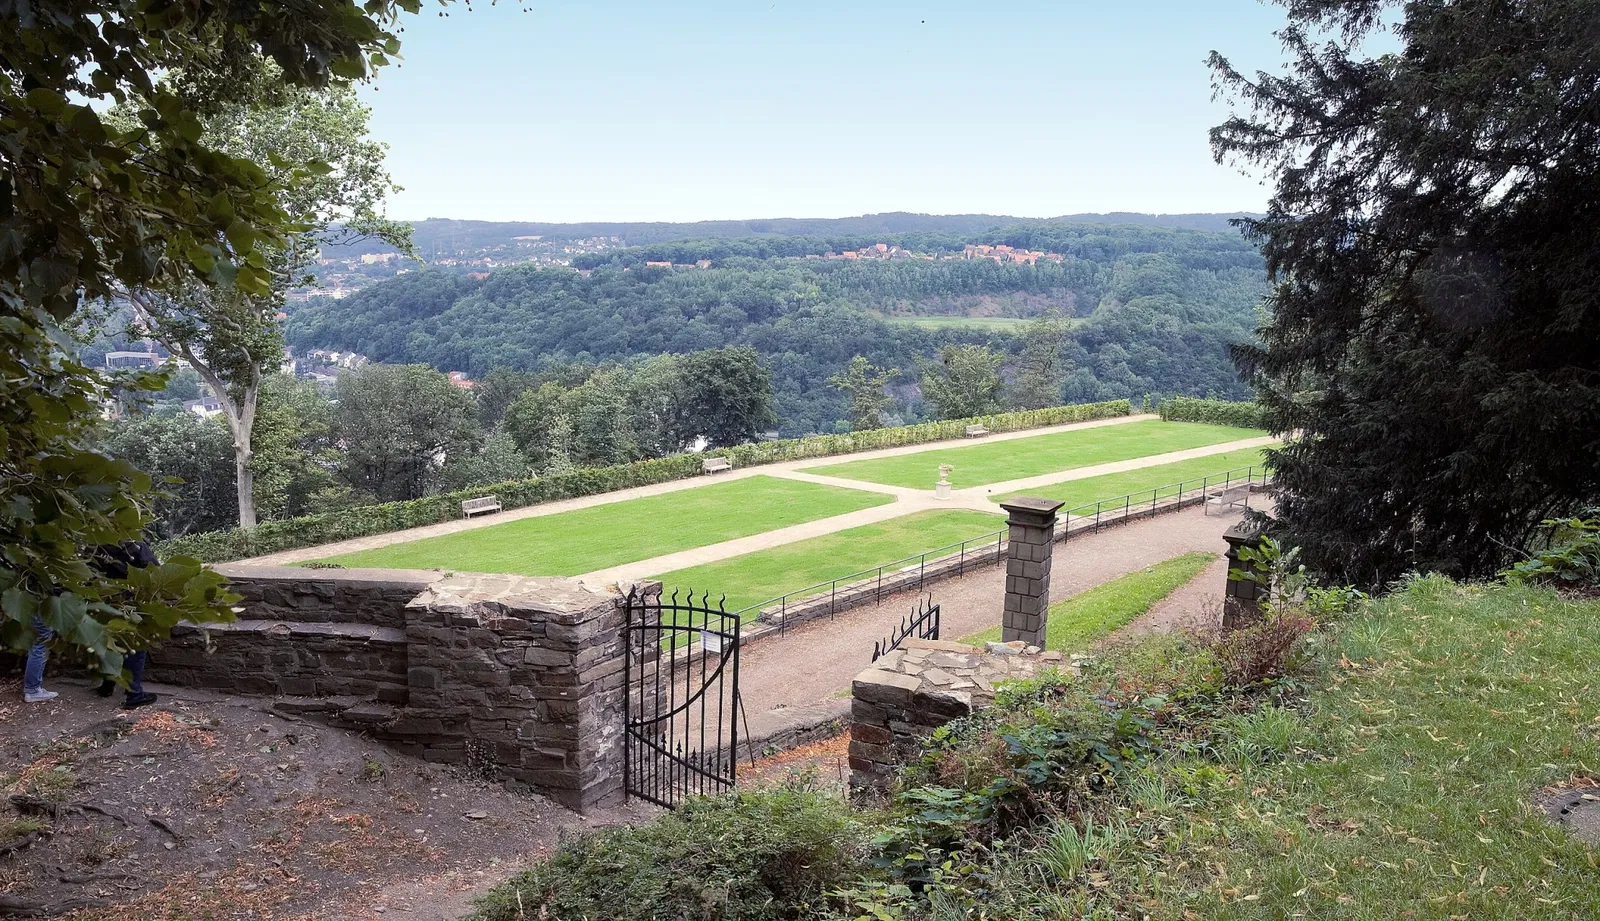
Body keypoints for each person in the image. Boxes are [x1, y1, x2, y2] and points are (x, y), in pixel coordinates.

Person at [90, 540, 161, 710]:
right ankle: (134, 694)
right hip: (130, 604)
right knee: (136, 647)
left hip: (105, 603)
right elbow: (154, 571)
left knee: (109, 644)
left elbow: (90, 573)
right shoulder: (136, 546)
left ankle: (107, 686)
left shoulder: (96, 545)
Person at [22, 617, 57, 703]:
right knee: (39, 646)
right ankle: (32, 691)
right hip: (40, 608)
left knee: (38, 645)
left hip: (35, 608)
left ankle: (33, 688)